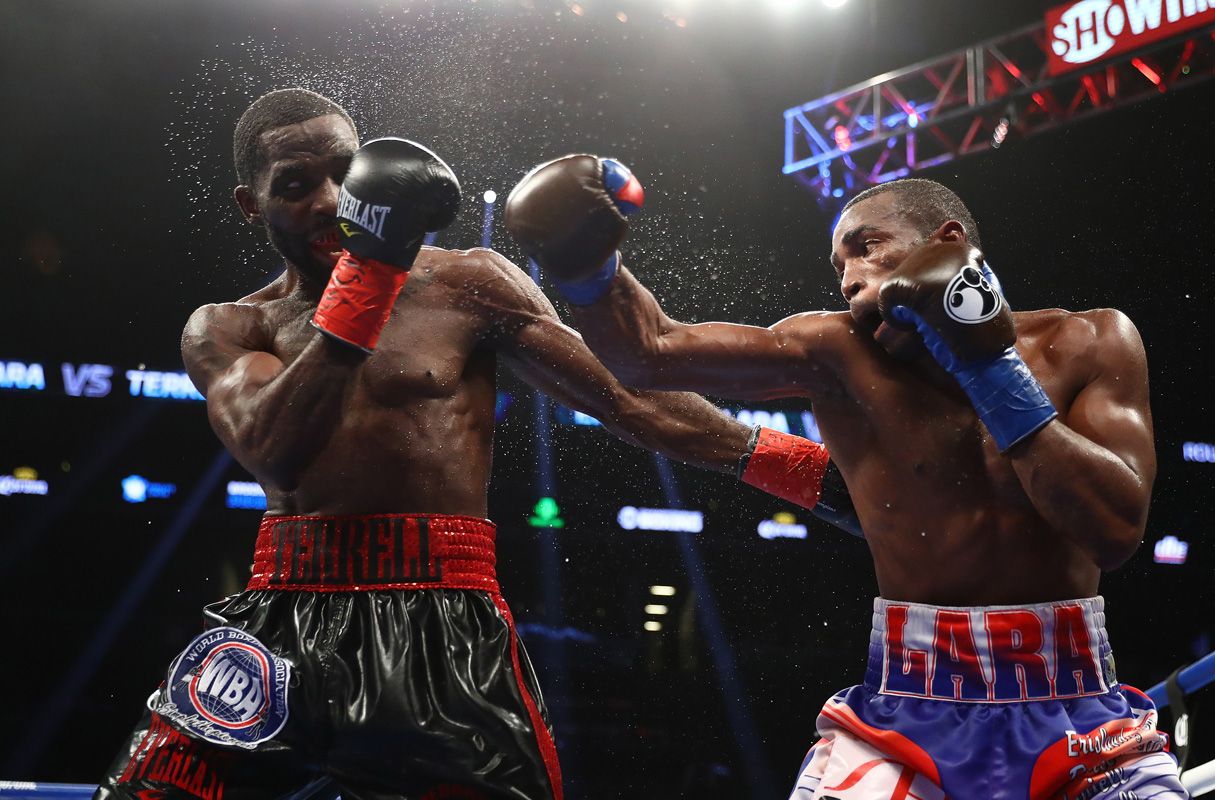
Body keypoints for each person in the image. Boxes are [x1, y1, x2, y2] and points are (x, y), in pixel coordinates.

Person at [94, 90, 857, 800]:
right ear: (248, 203)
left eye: (344, 175)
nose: (330, 200)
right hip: (279, 623)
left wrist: (818, 479)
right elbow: (274, 446)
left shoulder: (468, 284)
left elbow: (629, 400)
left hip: (444, 623)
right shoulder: (228, 328)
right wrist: (371, 271)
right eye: (296, 184)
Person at [504, 158, 1189, 799]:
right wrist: (587, 268)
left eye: (866, 246)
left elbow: (1114, 531)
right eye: (838, 264)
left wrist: (988, 364)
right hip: (905, 723)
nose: (848, 277)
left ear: (946, 243)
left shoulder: (1091, 340)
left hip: (1081, 720)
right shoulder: (833, 350)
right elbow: (650, 354)